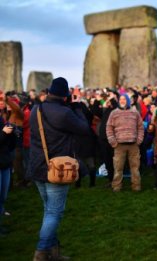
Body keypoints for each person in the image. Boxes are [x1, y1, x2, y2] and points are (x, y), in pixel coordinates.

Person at [27, 77, 92, 260]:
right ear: (65, 96)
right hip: (58, 168)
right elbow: (84, 128)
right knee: (54, 212)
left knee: (49, 210)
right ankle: (40, 252)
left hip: (38, 165)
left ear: (49, 92)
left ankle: (53, 253)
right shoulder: (64, 113)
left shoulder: (35, 110)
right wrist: (77, 107)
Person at [106, 93, 144, 192]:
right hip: (119, 145)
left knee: (135, 168)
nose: (122, 101)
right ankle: (117, 186)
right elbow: (109, 128)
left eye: (124, 99)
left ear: (127, 100)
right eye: (120, 99)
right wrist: (113, 141)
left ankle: (136, 186)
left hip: (133, 145)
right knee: (118, 168)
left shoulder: (135, 112)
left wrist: (139, 140)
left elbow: (140, 127)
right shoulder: (114, 113)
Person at [0, 109, 16, 236]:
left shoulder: (1, 119)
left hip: (4, 162)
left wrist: (12, 134)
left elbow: (7, 144)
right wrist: (4, 133)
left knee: (2, 197)